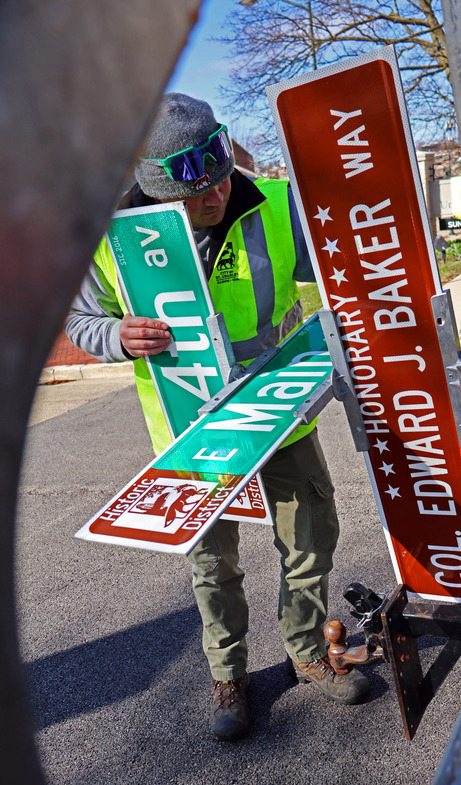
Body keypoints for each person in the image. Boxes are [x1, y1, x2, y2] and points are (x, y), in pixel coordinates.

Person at [66, 93, 368, 742]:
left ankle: (307, 650)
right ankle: (228, 675)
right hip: (191, 432)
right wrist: (118, 335)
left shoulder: (278, 207)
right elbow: (80, 321)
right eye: (196, 191)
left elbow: (349, 277)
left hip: (283, 414)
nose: (217, 195)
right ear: (154, 190)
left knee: (310, 540)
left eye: (222, 176)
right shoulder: (112, 240)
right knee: (212, 565)